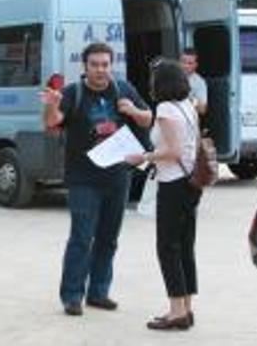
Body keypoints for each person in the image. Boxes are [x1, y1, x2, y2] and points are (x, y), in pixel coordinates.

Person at [41, 42, 152, 316]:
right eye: (95, 65)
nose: (101, 70)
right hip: (83, 178)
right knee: (81, 237)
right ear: (85, 67)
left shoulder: (123, 89)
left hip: (117, 176)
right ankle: (72, 296)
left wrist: (133, 112)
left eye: (105, 64)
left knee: (108, 238)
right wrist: (52, 107)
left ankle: (99, 292)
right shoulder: (73, 93)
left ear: (110, 65)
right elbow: (51, 125)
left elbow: (148, 118)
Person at [125, 59, 201, 331]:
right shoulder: (188, 105)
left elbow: (174, 150)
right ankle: (187, 308)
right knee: (184, 246)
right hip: (192, 182)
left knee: (167, 247)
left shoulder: (167, 108)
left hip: (174, 183)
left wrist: (143, 156)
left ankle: (176, 311)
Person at [179, 48, 207, 116]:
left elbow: (203, 109)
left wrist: (189, 98)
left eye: (190, 63)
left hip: (188, 120)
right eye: (183, 62)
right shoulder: (171, 77)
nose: (185, 66)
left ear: (195, 65)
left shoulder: (199, 82)